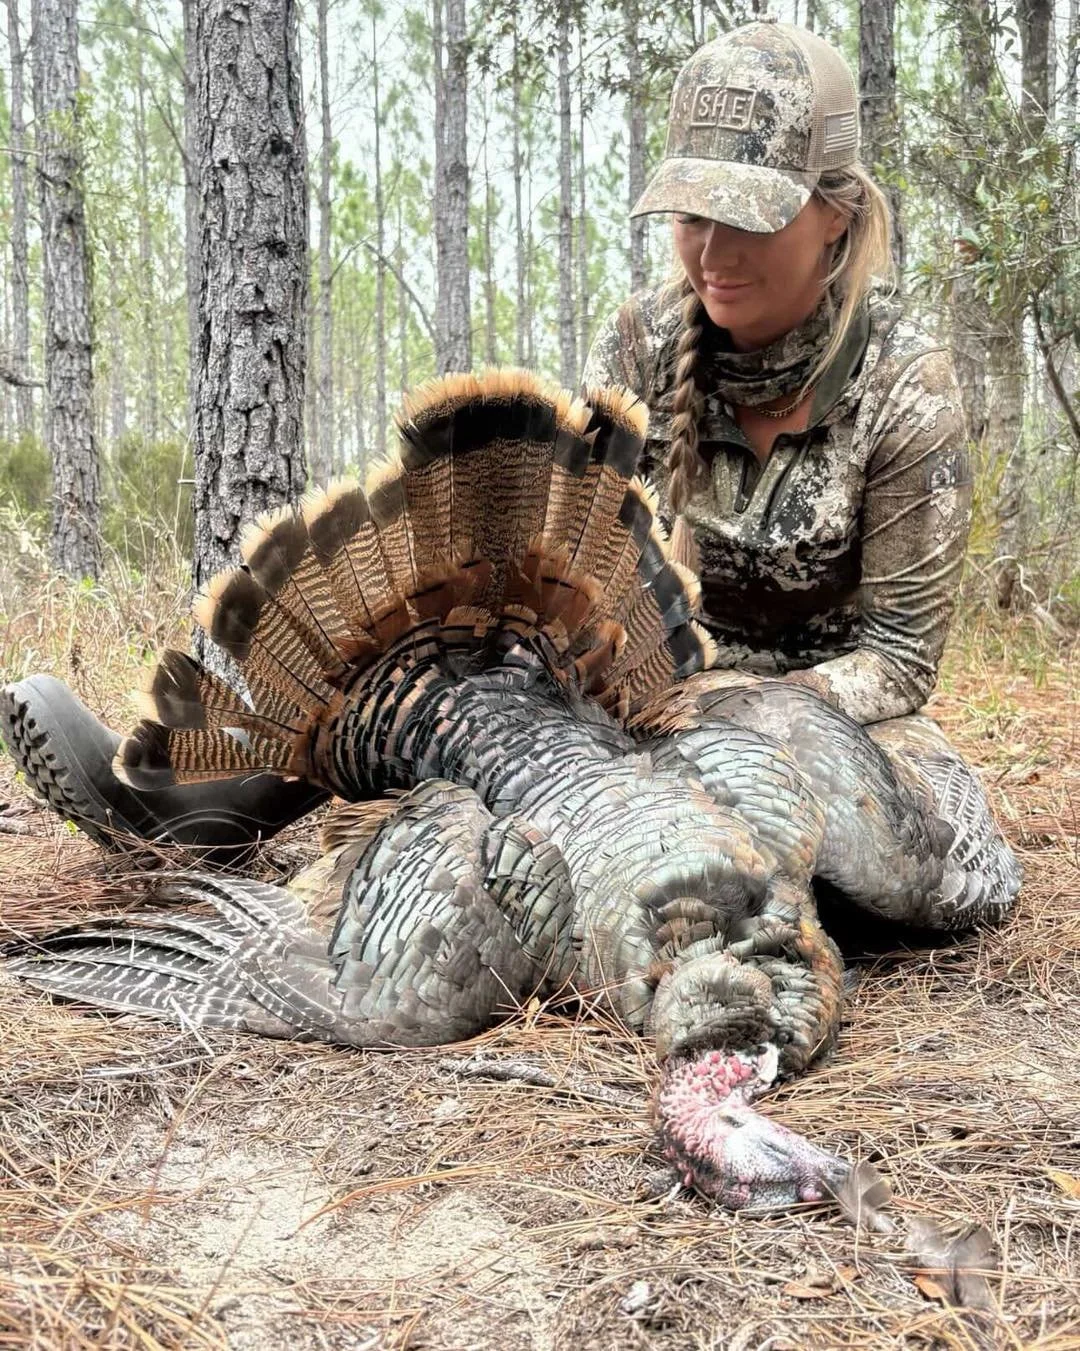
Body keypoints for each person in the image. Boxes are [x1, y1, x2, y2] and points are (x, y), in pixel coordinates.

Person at [583, 19, 971, 735]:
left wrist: (743, 718)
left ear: (835, 213)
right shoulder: (639, 345)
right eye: (693, 216)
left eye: (750, 216)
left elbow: (899, 658)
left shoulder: (904, 383)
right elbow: (588, 583)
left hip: (841, 725)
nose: (713, 255)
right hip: (655, 707)